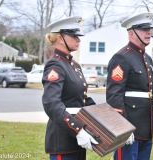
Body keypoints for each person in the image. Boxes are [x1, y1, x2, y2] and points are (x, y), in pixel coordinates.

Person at [106, 12, 153, 160]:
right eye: (143, 29)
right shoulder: (121, 57)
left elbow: (147, 88)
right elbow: (114, 96)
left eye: (149, 28)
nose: (148, 32)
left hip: (145, 126)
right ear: (131, 33)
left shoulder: (147, 58)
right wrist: (122, 128)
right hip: (129, 126)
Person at [42, 16, 98, 160]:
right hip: (63, 139)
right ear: (60, 38)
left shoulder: (74, 65)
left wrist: (107, 120)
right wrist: (77, 129)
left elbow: (82, 100)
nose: (78, 39)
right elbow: (52, 104)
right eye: (74, 36)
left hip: (78, 138)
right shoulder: (55, 65)